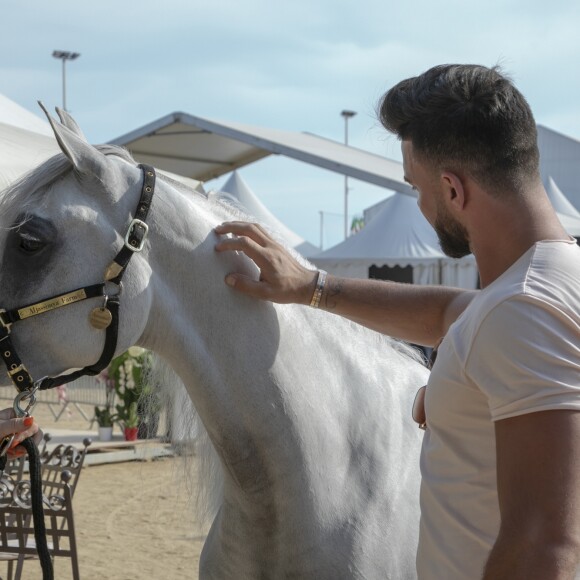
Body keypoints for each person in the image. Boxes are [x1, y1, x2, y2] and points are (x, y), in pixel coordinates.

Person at [213, 64, 580, 579]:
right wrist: (314, 287)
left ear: (453, 189)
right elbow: (449, 312)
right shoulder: (544, 283)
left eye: (417, 188)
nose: (422, 204)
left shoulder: (521, 311)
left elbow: (544, 546)